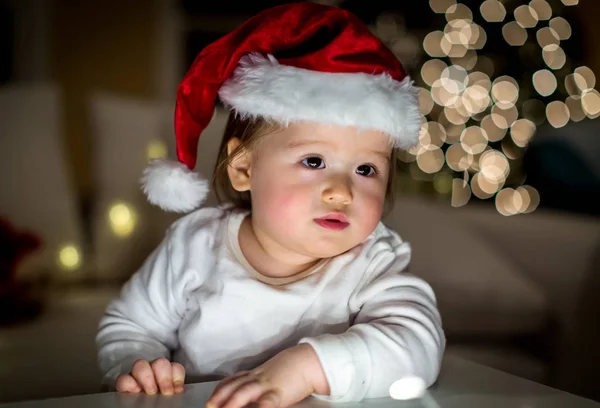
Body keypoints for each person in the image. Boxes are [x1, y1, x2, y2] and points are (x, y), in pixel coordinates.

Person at [96, 3, 445, 408]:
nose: (342, 192)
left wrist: (306, 368)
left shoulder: (371, 263)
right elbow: (129, 324)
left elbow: (419, 348)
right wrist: (136, 363)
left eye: (366, 169)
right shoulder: (196, 244)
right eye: (314, 161)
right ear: (244, 168)